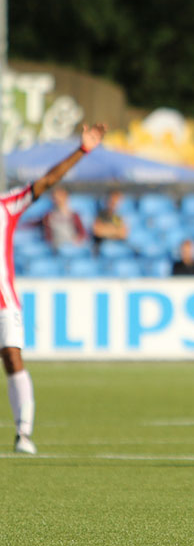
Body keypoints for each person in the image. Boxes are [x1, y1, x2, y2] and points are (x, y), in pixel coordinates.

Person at [2, 123, 106, 454]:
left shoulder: (7, 204)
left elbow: (47, 181)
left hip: (4, 303)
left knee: (13, 358)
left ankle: (24, 433)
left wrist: (82, 150)